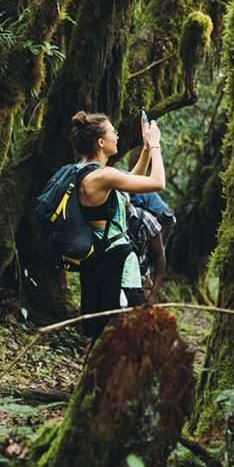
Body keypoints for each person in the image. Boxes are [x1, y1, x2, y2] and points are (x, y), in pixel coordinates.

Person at [71, 111, 165, 339]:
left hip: (100, 261)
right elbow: (158, 183)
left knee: (107, 334)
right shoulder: (102, 176)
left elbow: (129, 186)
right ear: (101, 142)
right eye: (113, 131)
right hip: (117, 266)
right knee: (127, 334)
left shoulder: (84, 171)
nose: (117, 134)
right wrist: (155, 146)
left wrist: (144, 150)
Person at [125, 194, 167, 305]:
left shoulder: (145, 219)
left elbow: (160, 255)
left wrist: (153, 294)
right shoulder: (104, 220)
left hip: (141, 278)